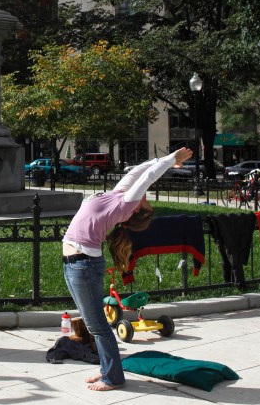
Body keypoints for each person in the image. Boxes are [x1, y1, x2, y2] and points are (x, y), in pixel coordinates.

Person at [61, 147, 193, 391]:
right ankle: (106, 369)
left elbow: (147, 178)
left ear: (136, 211)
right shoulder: (118, 196)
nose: (147, 197)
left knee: (97, 325)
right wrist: (163, 159)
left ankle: (112, 377)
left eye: (147, 204)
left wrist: (170, 160)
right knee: (94, 324)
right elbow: (140, 172)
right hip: (73, 264)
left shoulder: (125, 206)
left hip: (84, 265)